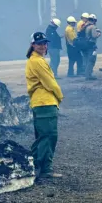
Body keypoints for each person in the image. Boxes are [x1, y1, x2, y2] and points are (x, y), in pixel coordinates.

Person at [26, 32, 64, 181]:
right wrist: (60, 96)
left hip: (40, 103)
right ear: (33, 45)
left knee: (43, 136)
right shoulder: (37, 62)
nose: (43, 46)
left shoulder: (35, 60)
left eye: (44, 43)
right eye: (39, 43)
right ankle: (43, 169)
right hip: (45, 103)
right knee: (48, 136)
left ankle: (33, 166)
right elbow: (50, 83)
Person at [80, 14, 102, 80]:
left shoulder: (85, 26)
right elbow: (94, 36)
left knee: (86, 60)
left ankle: (86, 74)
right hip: (91, 45)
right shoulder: (92, 27)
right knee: (91, 60)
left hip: (84, 46)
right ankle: (88, 75)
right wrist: (99, 34)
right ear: (94, 20)